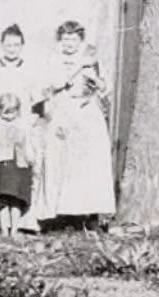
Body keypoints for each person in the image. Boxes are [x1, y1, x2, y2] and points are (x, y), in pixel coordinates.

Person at [36, 20, 116, 226]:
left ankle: (90, 213)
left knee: (89, 163)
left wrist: (98, 82)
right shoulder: (54, 60)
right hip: (63, 109)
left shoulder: (91, 60)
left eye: (74, 39)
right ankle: (62, 213)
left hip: (87, 111)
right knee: (62, 161)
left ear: (81, 40)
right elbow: (49, 86)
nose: (69, 44)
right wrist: (75, 70)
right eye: (65, 40)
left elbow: (105, 87)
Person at [0, 23, 44, 233]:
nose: (12, 49)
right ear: (1, 45)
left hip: (22, 130)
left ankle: (23, 222)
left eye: (16, 45)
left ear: (22, 46)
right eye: (8, 45)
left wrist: (25, 126)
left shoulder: (31, 70)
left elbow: (39, 106)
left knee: (22, 175)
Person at [0, 93, 35, 237]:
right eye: (6, 113)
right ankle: (4, 230)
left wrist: (32, 160)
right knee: (2, 201)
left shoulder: (23, 125)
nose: (10, 116)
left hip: (19, 165)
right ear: (0, 110)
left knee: (16, 200)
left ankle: (14, 230)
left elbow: (28, 144)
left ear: (18, 110)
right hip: (0, 165)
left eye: (13, 112)